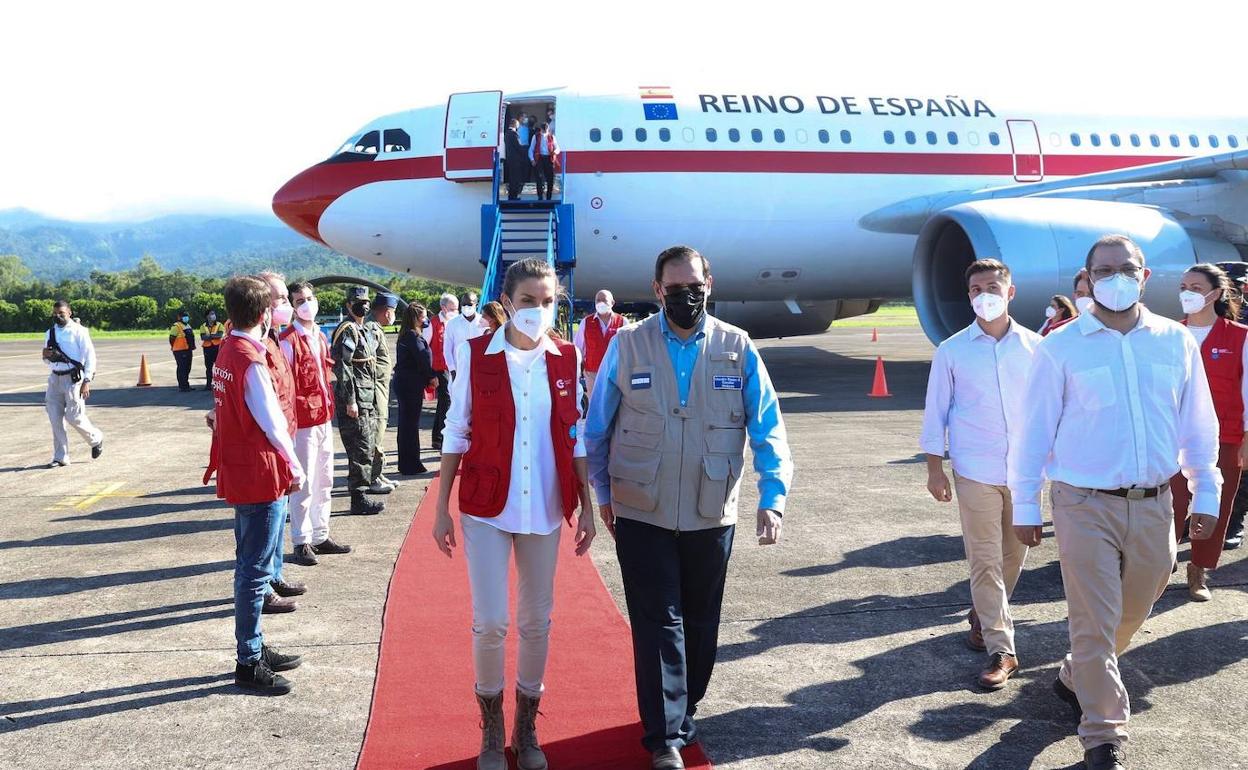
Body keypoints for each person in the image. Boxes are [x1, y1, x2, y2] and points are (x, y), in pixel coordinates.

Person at [1010, 234, 1220, 770]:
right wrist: (1026, 504)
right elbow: (1033, 432)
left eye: (1126, 268)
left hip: (1154, 503)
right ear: (1088, 278)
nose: (1116, 277)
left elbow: (1198, 423)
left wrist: (1206, 489)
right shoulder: (1060, 346)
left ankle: (1073, 675)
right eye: (1104, 270)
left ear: (1145, 277)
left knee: (1138, 605)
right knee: (1094, 620)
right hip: (1083, 503)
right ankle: (1103, 735)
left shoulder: (1175, 342)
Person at [586, 245, 793, 770]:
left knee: (700, 622)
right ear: (658, 291)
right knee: (659, 620)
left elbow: (767, 426)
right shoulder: (628, 344)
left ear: (709, 284)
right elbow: (596, 427)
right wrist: (604, 497)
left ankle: (683, 705)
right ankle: (665, 738)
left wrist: (773, 497)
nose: (685, 296)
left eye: (694, 287)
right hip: (641, 507)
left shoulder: (737, 346)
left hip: (710, 508)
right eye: (675, 289)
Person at [432, 258, 596, 770]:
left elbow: (576, 435)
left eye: (549, 302)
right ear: (506, 303)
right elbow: (456, 430)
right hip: (486, 504)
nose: (539, 311)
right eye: (528, 301)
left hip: (546, 504)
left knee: (536, 621)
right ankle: (491, 727)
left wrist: (588, 505)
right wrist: (440, 507)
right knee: (491, 622)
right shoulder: (476, 354)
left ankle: (526, 728)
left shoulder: (566, 358)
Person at [920, 258, 1040, 691]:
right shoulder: (952, 350)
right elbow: (936, 412)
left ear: (1010, 292)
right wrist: (935, 468)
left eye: (992, 286)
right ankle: (1001, 648)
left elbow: (1052, 410)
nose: (984, 295)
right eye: (975, 289)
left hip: (1026, 472)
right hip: (974, 469)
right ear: (968, 295)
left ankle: (984, 612)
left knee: (1015, 554)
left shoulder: (1036, 348)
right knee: (984, 559)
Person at [205, 275, 305, 695]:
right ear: (264, 314)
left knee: (249, 563)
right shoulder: (251, 357)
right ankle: (248, 660)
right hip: (261, 473)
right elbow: (273, 422)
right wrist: (295, 465)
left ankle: (255, 647)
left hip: (242, 469)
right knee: (255, 571)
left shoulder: (228, 349)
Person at [1172, 263, 1248, 601]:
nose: (1187, 292)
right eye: (1183, 285)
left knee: (1214, 506)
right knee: (1168, 505)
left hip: (1225, 438)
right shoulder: (1169, 333)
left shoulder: (1240, 336)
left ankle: (1199, 569)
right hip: (1172, 437)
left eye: (1196, 287)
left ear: (1215, 294)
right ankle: (1160, 564)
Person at [280, 281, 352, 566]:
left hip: (323, 416)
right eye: (299, 301)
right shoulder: (288, 340)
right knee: (305, 482)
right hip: (303, 421)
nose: (306, 304)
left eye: (309, 298)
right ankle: (301, 540)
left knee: (325, 479)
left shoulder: (320, 336)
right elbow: (285, 385)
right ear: (292, 307)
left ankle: (321, 533)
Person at [256, 271, 307, 611]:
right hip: (267, 448)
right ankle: (263, 589)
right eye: (281, 299)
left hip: (282, 441)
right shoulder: (252, 344)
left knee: (278, 519)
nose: (286, 305)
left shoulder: (272, 337)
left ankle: (275, 575)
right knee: (264, 527)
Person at [331, 287, 387, 515]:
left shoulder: (363, 329)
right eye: (357, 302)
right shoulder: (347, 330)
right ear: (348, 305)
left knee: (367, 446)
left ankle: (361, 493)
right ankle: (359, 497)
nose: (362, 305)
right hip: (356, 401)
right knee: (361, 449)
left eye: (365, 301)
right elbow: (343, 367)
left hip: (368, 398)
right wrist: (350, 400)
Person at [42, 300, 104, 467]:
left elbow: (90, 356)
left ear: (69, 312)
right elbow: (46, 360)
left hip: (74, 380)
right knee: (55, 418)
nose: (58, 316)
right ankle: (61, 457)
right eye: (55, 314)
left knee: (74, 416)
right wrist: (46, 355)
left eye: (61, 313)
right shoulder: (50, 332)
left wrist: (87, 380)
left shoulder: (79, 331)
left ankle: (96, 438)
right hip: (55, 379)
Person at [393, 302, 437, 475]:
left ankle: (408, 462)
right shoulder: (412, 336)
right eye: (423, 316)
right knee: (409, 425)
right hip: (410, 384)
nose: (425, 319)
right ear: (416, 318)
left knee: (407, 424)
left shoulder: (407, 334)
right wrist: (432, 376)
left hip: (406, 382)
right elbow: (423, 358)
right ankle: (410, 464)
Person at [366, 293, 400, 494]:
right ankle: (373, 477)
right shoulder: (371, 329)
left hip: (380, 387)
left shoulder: (375, 327)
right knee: (376, 432)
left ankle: (378, 473)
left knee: (379, 431)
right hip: (374, 388)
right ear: (387, 312)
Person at [573, 289, 625, 399]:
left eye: (604, 300)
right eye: (598, 300)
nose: (600, 303)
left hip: (615, 371)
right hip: (592, 372)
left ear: (612, 303)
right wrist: (577, 371)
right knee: (595, 404)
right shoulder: (586, 322)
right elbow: (578, 349)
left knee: (614, 402)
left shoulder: (622, 322)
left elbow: (628, 349)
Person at [423, 293, 458, 450]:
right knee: (447, 400)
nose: (456, 311)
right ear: (443, 308)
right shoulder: (433, 323)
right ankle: (442, 437)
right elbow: (425, 347)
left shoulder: (454, 322)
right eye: (453, 308)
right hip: (439, 368)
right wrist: (429, 373)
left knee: (443, 403)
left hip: (452, 367)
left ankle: (437, 437)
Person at [443, 291, 489, 378]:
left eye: (469, 304)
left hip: (479, 372)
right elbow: (447, 349)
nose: (466, 307)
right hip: (458, 372)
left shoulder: (484, 323)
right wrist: (452, 370)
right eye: (464, 304)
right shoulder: (452, 324)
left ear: (476, 305)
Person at [528, 123, 559, 201]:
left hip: (549, 158)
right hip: (539, 158)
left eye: (546, 129)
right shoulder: (536, 136)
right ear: (541, 129)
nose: (545, 131)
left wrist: (555, 152)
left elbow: (557, 148)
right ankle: (540, 196)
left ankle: (549, 197)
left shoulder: (552, 137)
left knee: (550, 178)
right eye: (544, 130)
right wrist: (532, 159)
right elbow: (531, 149)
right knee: (539, 177)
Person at [169, 310, 196, 392]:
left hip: (187, 349)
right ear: (179, 317)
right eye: (184, 316)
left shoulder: (187, 325)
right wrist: (173, 346)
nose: (186, 317)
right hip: (180, 350)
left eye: (187, 316)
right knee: (182, 368)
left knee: (187, 367)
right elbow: (171, 338)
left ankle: (186, 384)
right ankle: (182, 386)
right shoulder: (176, 326)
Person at [199, 309, 226, 390]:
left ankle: (219, 384)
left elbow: (220, 335)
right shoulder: (203, 326)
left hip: (217, 347)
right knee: (208, 367)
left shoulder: (219, 325)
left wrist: (209, 336)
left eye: (214, 313)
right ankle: (208, 385)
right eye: (211, 314)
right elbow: (203, 337)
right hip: (207, 348)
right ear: (207, 316)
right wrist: (213, 335)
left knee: (220, 367)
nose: (213, 315)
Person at [504, 118, 526, 201]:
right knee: (516, 178)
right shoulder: (514, 134)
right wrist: (524, 152)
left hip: (510, 158)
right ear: (514, 124)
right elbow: (518, 147)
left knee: (512, 178)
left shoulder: (506, 134)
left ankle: (511, 196)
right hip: (516, 159)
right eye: (518, 124)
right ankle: (515, 196)